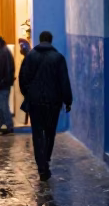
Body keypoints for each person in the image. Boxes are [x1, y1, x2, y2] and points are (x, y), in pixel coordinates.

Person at [18, 31, 73, 181]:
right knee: (50, 132)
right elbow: (64, 81)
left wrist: (28, 94)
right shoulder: (58, 58)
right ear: (51, 40)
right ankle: (46, 159)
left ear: (40, 40)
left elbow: (22, 78)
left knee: (37, 134)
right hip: (53, 103)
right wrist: (68, 101)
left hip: (35, 102)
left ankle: (42, 167)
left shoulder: (30, 57)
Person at [0, 35, 15, 135]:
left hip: (3, 85)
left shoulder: (3, 53)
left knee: (2, 106)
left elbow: (1, 70)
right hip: (4, 84)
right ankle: (3, 126)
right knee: (2, 105)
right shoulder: (5, 52)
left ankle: (7, 127)